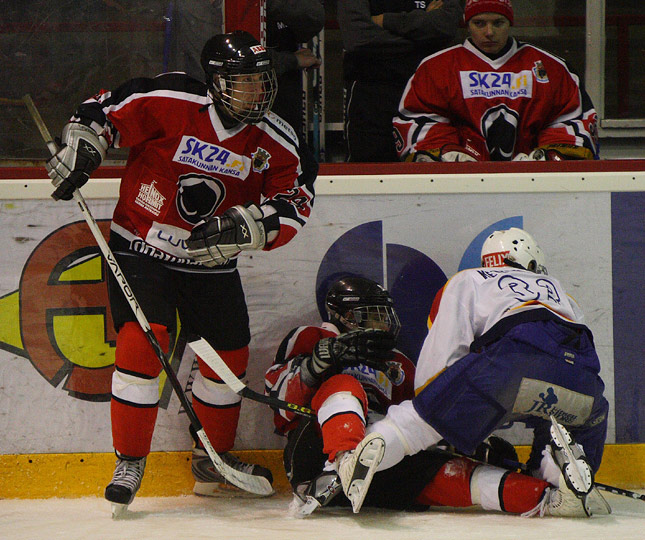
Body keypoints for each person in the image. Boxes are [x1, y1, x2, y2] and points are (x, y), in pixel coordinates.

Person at [46, 30, 316, 513]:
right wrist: (84, 146)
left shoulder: (278, 138)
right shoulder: (171, 100)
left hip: (210, 263)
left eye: (262, 81)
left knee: (228, 357)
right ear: (215, 83)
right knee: (142, 341)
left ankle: (210, 462)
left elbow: (294, 203)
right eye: (244, 82)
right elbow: (102, 113)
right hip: (139, 248)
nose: (257, 92)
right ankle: (129, 461)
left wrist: (253, 226)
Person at [265, 275, 612, 518]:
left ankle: (552, 498)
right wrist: (316, 364)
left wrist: (475, 445)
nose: (381, 327)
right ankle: (343, 457)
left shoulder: (397, 363)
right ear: (344, 316)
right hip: (315, 454)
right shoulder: (312, 337)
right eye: (371, 317)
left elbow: (429, 420)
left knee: (457, 474)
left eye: (384, 318)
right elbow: (279, 412)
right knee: (345, 385)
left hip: (378, 470)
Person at [346, 228, 611, 517]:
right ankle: (560, 477)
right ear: (531, 262)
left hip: (511, 366)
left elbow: (443, 358)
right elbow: (576, 357)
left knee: (418, 420)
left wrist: (440, 415)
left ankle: (360, 458)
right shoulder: (561, 292)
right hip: (583, 383)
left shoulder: (469, 279)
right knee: (569, 424)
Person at [393, 0, 599, 162]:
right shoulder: (436, 67)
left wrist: (544, 157)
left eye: (498, 23)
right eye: (479, 23)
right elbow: (419, 120)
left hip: (534, 184)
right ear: (467, 24)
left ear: (510, 23)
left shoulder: (550, 67)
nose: (489, 32)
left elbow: (571, 119)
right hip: (459, 185)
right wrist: (448, 154)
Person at [337, 0, 463, 162]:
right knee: (368, 175)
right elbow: (358, 37)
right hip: (372, 95)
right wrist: (423, 31)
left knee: (430, 176)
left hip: (428, 96)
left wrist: (384, 21)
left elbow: (445, 26)